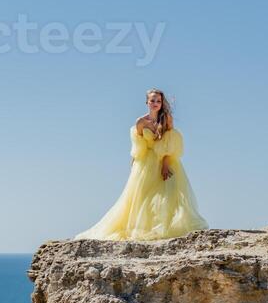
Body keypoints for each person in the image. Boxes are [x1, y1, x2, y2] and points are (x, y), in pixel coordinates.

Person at [74, 89, 208, 242]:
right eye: (152, 100)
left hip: (165, 160)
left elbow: (170, 143)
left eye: (158, 101)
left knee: (168, 194)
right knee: (142, 197)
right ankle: (144, 228)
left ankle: (166, 226)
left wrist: (165, 165)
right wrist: (135, 165)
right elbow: (139, 147)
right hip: (145, 163)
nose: (155, 104)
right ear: (147, 102)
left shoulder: (167, 119)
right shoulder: (140, 122)